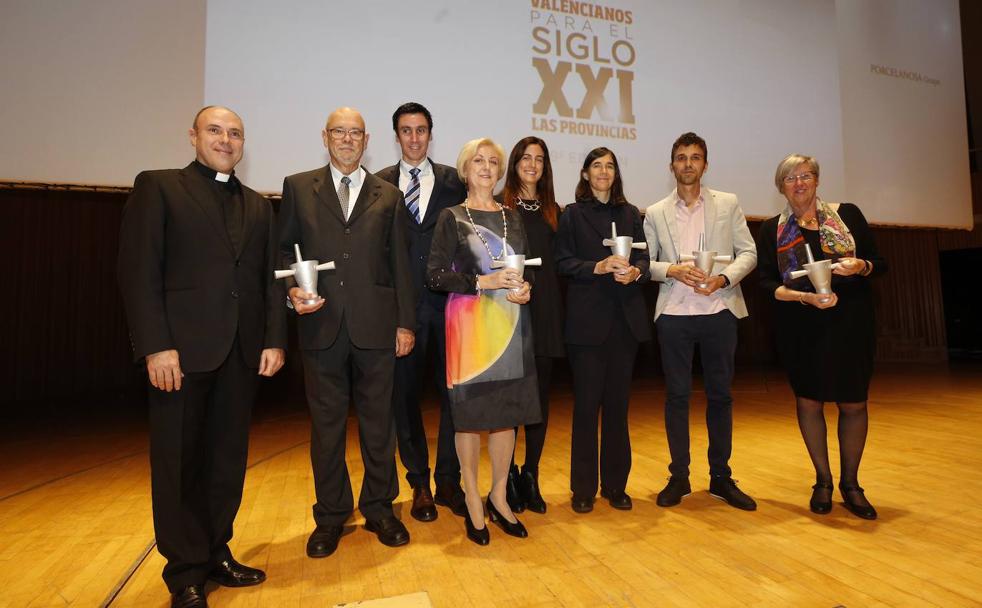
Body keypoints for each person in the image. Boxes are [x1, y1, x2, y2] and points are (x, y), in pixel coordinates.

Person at [117, 105, 287, 608]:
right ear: (193, 135)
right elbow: (138, 271)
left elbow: (267, 281)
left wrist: (274, 339)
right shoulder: (159, 186)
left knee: (226, 461)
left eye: (235, 133)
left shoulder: (259, 206)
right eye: (216, 130)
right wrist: (154, 345)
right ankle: (185, 571)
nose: (226, 140)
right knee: (178, 462)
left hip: (241, 353)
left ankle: (217, 551)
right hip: (180, 353)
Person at [277, 107, 416, 557]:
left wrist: (405, 322)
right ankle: (331, 516)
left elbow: (399, 265)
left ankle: (379, 508)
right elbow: (282, 256)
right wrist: (292, 290)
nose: (347, 139)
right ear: (325, 136)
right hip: (321, 323)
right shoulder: (298, 187)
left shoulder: (389, 195)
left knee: (380, 426)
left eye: (355, 133)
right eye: (339, 131)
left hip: (377, 326)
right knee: (327, 429)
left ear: (366, 139)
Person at [757, 153, 887, 520]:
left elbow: (879, 263)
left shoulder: (849, 215)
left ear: (817, 180)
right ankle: (823, 481)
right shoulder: (772, 230)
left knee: (853, 403)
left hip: (851, 324)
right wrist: (804, 296)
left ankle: (851, 484)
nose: (799, 183)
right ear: (781, 187)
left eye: (806, 175)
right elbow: (767, 282)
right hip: (801, 326)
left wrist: (861, 265)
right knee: (810, 401)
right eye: (790, 178)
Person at [426, 138, 540, 545]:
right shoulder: (451, 217)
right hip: (470, 329)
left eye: (494, 161)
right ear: (465, 168)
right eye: (479, 160)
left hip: (510, 325)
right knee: (471, 419)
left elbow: (524, 270)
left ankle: (498, 495)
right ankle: (472, 498)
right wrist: (481, 281)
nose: (488, 167)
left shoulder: (512, 218)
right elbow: (435, 275)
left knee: (507, 413)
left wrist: (525, 289)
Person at [642, 132, 759, 511]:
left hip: (719, 310)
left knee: (720, 397)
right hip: (674, 314)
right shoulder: (656, 211)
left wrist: (724, 279)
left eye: (695, 157)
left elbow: (749, 252)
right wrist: (672, 269)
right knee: (676, 397)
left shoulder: (728, 203)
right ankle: (679, 476)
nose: (688, 164)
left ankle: (721, 477)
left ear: (705, 164)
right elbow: (646, 265)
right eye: (681, 157)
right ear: (671, 165)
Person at [375, 102, 468, 522]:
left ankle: (449, 480)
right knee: (405, 400)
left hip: (451, 308)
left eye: (421, 130)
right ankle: (419, 484)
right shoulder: (379, 185)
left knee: (455, 397)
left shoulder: (456, 182)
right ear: (396, 135)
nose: (414, 138)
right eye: (406, 131)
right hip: (403, 314)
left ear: (431, 134)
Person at [555, 147, 650, 514]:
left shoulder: (629, 213)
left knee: (617, 408)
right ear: (584, 173)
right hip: (587, 326)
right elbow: (562, 262)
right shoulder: (572, 215)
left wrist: (636, 271)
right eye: (597, 165)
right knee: (585, 408)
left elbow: (643, 255)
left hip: (624, 325)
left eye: (610, 166)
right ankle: (582, 488)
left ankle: (615, 486)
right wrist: (596, 267)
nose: (604, 172)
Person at [498, 136, 564, 514]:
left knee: (538, 404)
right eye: (526, 157)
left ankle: (532, 475)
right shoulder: (498, 207)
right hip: (507, 313)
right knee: (510, 404)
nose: (532, 165)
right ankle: (505, 479)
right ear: (515, 162)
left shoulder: (556, 211)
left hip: (546, 313)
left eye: (540, 159)